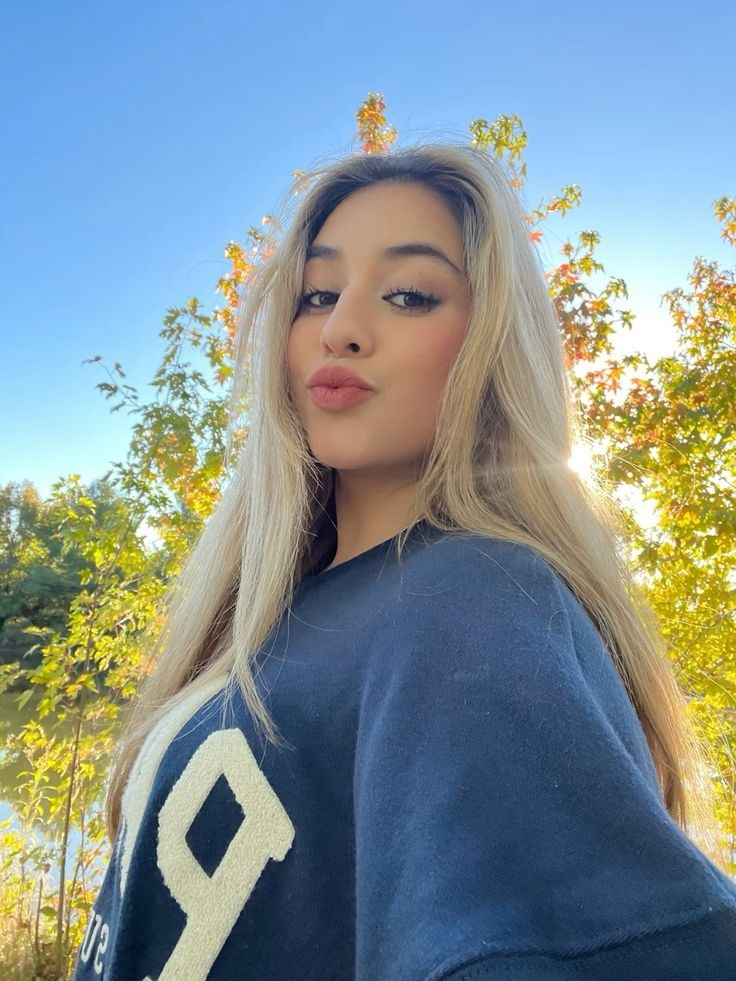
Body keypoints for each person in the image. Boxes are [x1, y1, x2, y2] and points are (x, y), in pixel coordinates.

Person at [73, 145, 736, 980]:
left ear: (492, 343)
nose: (340, 327)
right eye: (318, 294)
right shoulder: (265, 618)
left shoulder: (474, 602)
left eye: (409, 295)